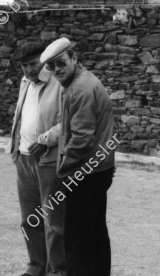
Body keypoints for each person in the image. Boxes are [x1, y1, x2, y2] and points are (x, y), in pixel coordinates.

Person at [40, 37, 116, 276]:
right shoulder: (83, 81)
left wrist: (63, 169)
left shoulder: (79, 88)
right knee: (94, 231)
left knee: (77, 238)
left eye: (61, 63)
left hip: (86, 172)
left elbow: (82, 139)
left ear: (74, 58)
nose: (56, 70)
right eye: (51, 66)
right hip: (98, 168)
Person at [8, 42, 66, 276]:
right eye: (24, 66)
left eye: (33, 64)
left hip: (48, 160)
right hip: (23, 158)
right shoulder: (25, 83)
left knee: (53, 221)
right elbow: (20, 116)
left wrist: (45, 139)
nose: (29, 70)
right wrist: (13, 145)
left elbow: (69, 123)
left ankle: (57, 270)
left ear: (43, 60)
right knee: (28, 220)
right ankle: (35, 266)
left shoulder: (59, 83)